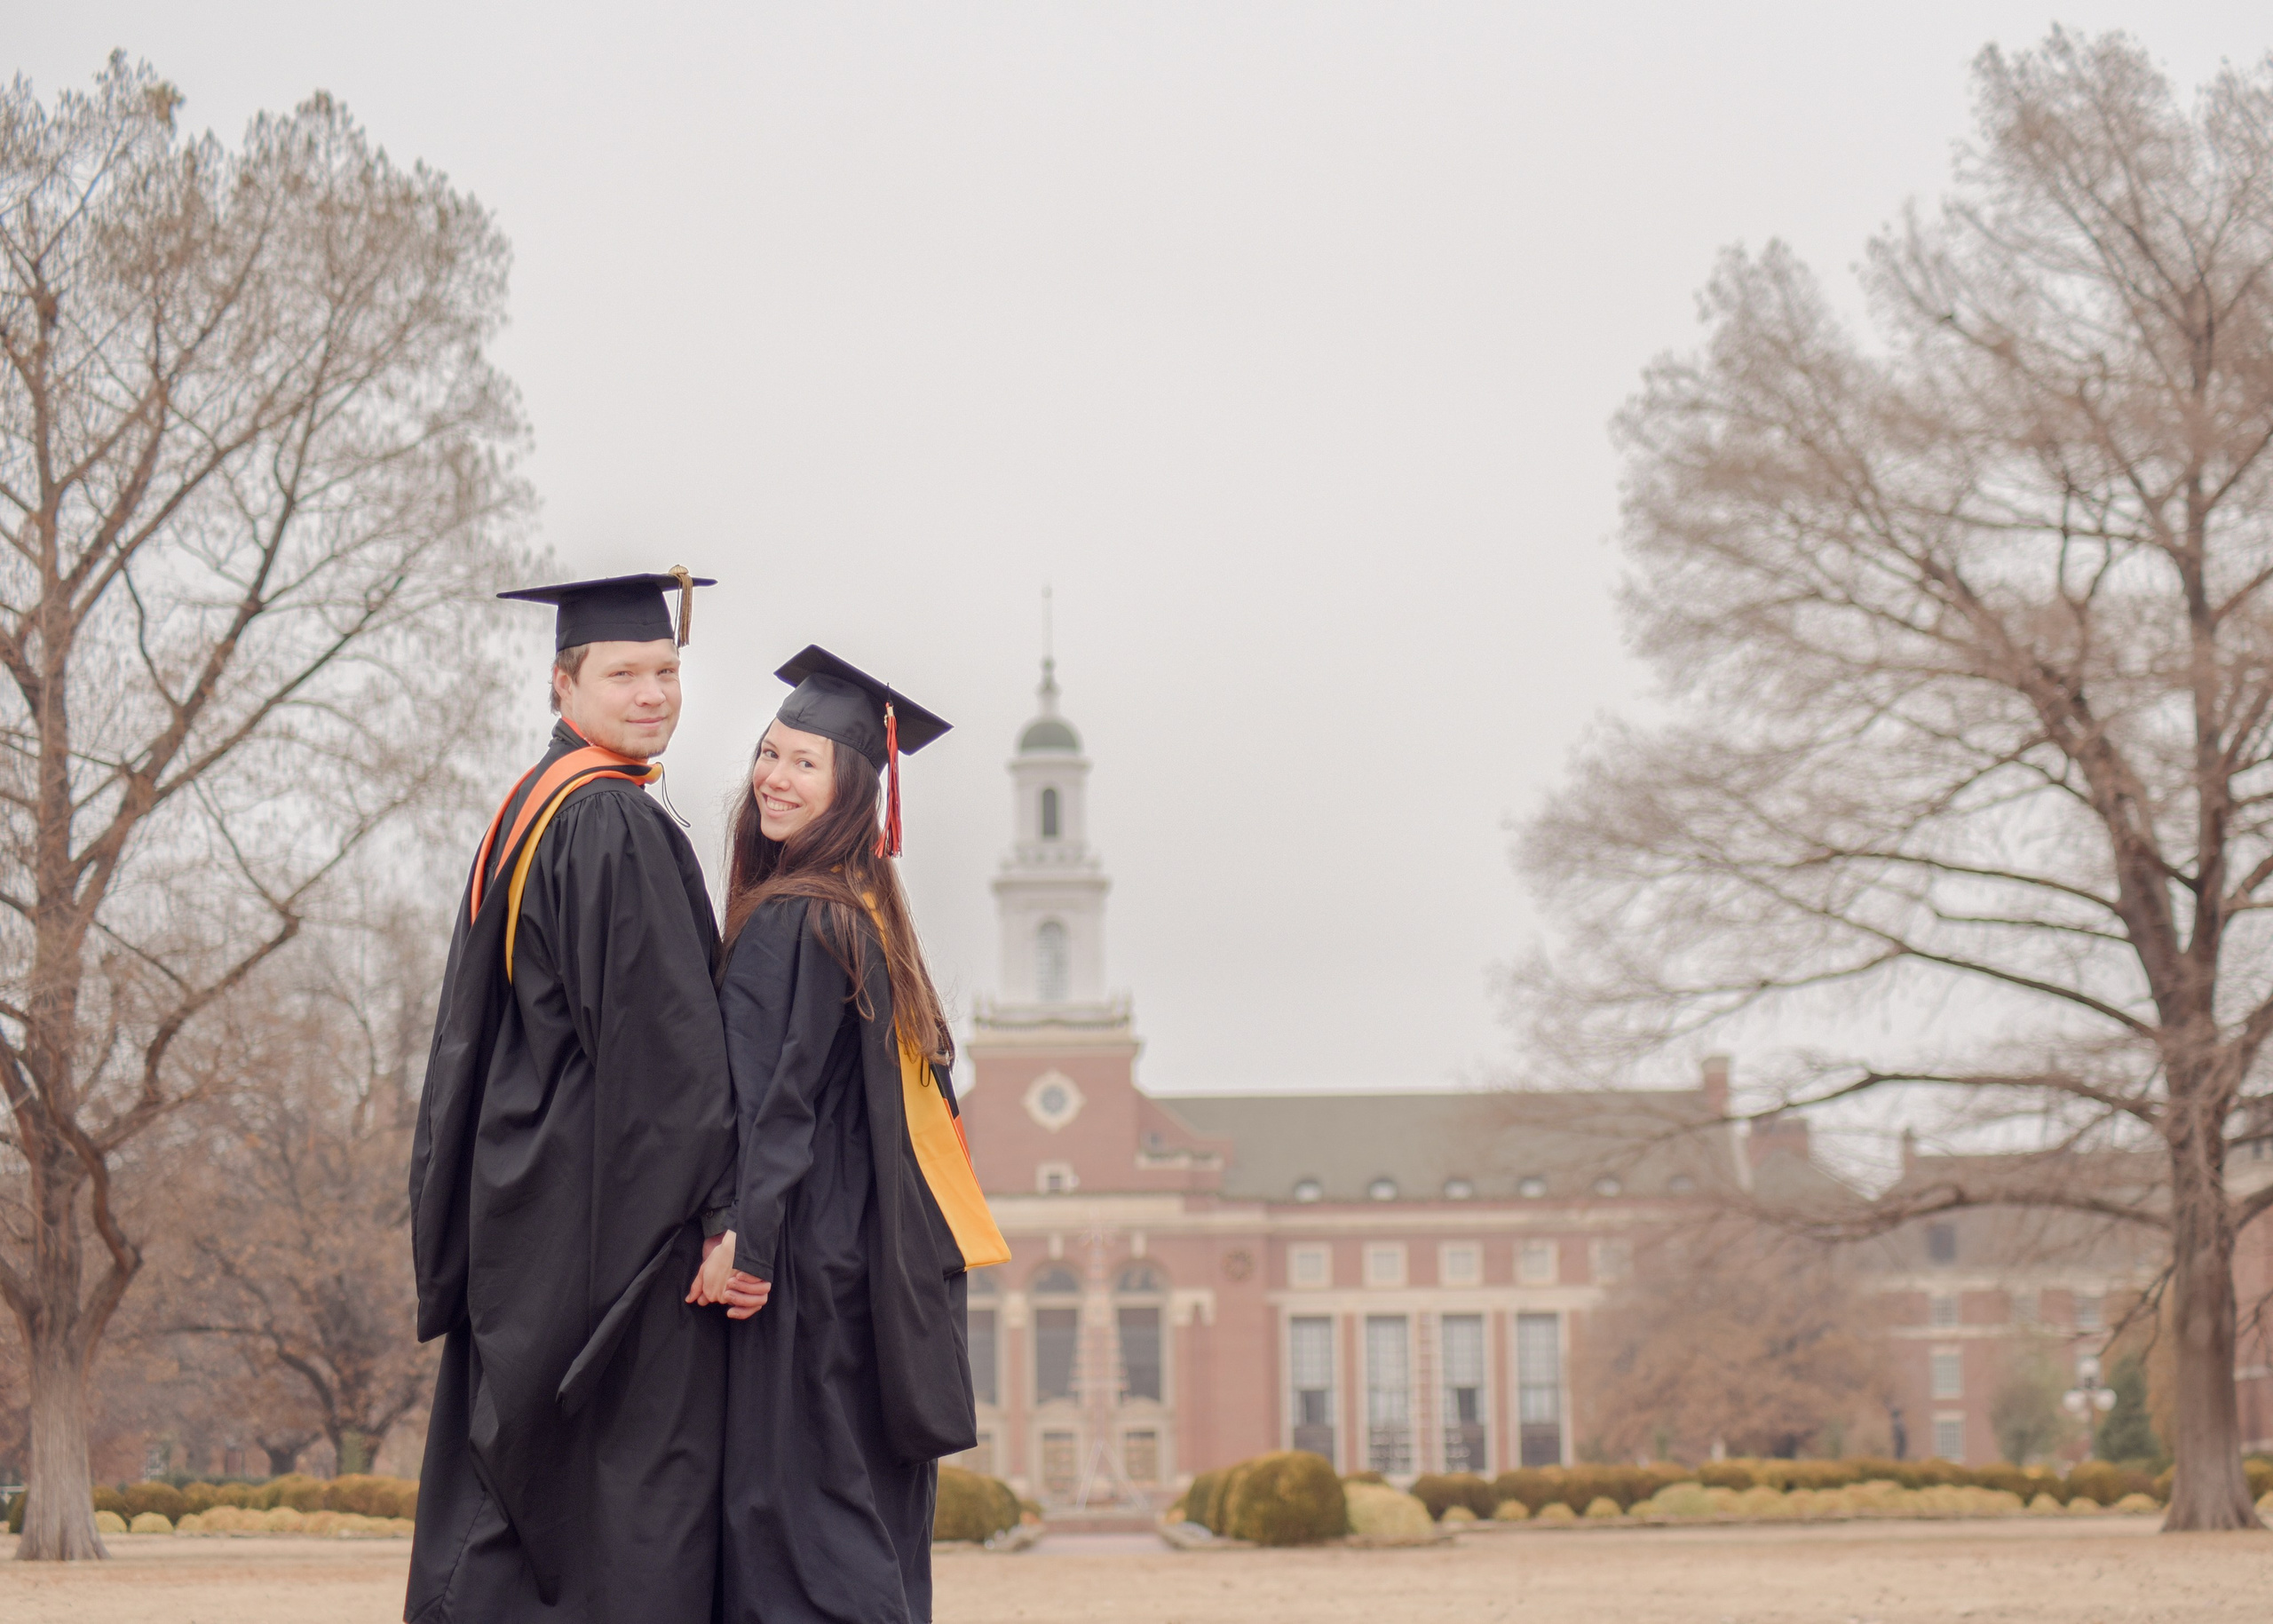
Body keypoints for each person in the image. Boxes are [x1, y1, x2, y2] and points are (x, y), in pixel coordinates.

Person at [407, 570, 738, 1624]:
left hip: (527, 1200)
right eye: (626, 673)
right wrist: (723, 1213)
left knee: (518, 1489)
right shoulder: (610, 823)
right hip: (606, 1221)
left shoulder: (532, 805)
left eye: (668, 671)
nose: (654, 694)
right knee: (621, 1503)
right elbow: (666, 1062)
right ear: (565, 684)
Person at [693, 645, 1009, 1624]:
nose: (774, 778)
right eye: (769, 753)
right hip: (871, 1282)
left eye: (803, 763)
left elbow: (771, 1103)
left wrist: (742, 1233)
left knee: (795, 1536)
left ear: (850, 792)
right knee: (860, 1528)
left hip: (802, 1284)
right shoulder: (871, 920)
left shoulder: (793, 919)